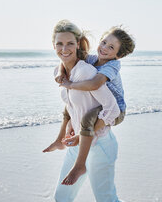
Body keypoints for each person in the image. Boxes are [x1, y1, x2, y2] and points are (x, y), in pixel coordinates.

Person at [43, 20, 121, 202]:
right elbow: (73, 105)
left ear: (78, 44)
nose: (65, 48)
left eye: (70, 43)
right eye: (60, 44)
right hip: (76, 145)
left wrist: (85, 132)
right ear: (53, 46)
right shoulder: (59, 71)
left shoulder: (86, 72)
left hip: (100, 144)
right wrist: (69, 128)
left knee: (106, 199)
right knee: (61, 197)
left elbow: (113, 109)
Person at [55, 26, 135, 185]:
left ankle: (80, 164)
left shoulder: (112, 66)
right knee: (69, 104)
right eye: (104, 42)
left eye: (111, 47)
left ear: (118, 55)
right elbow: (67, 59)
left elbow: (94, 84)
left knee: (88, 119)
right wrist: (60, 73)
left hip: (116, 110)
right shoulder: (91, 60)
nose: (104, 48)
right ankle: (71, 136)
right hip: (101, 103)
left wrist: (70, 84)